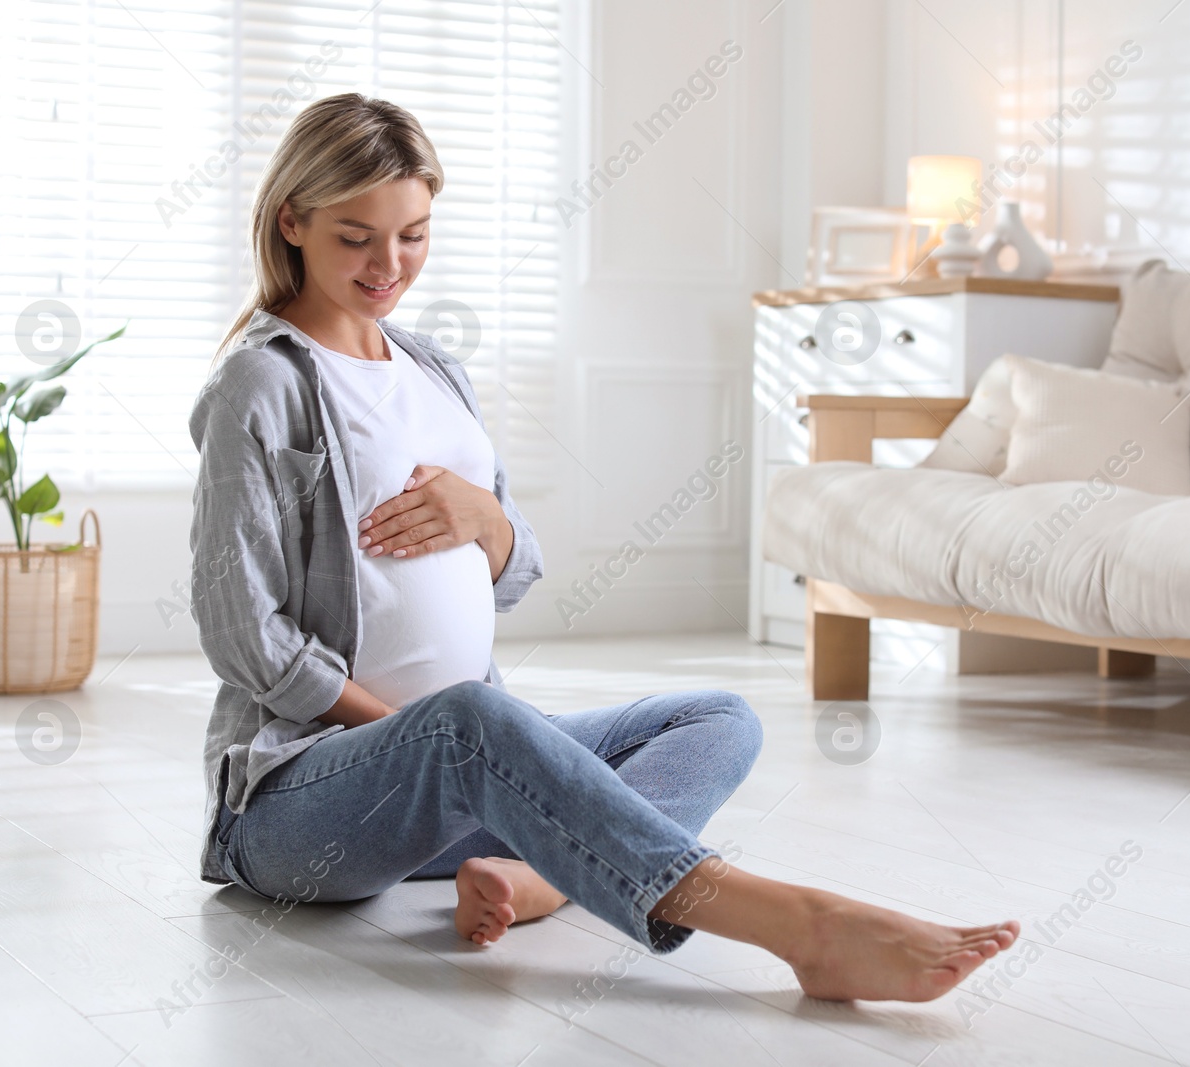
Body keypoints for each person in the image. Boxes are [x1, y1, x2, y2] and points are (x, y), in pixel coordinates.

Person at [188, 92, 1018, 1002]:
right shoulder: (260, 385)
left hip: (457, 775)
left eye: (414, 235)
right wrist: (408, 735)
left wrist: (491, 527)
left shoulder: (433, 370)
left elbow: (513, 572)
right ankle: (802, 927)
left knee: (716, 719)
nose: (391, 265)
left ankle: (541, 875)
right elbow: (244, 636)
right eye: (357, 237)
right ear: (292, 221)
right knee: (471, 723)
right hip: (299, 805)